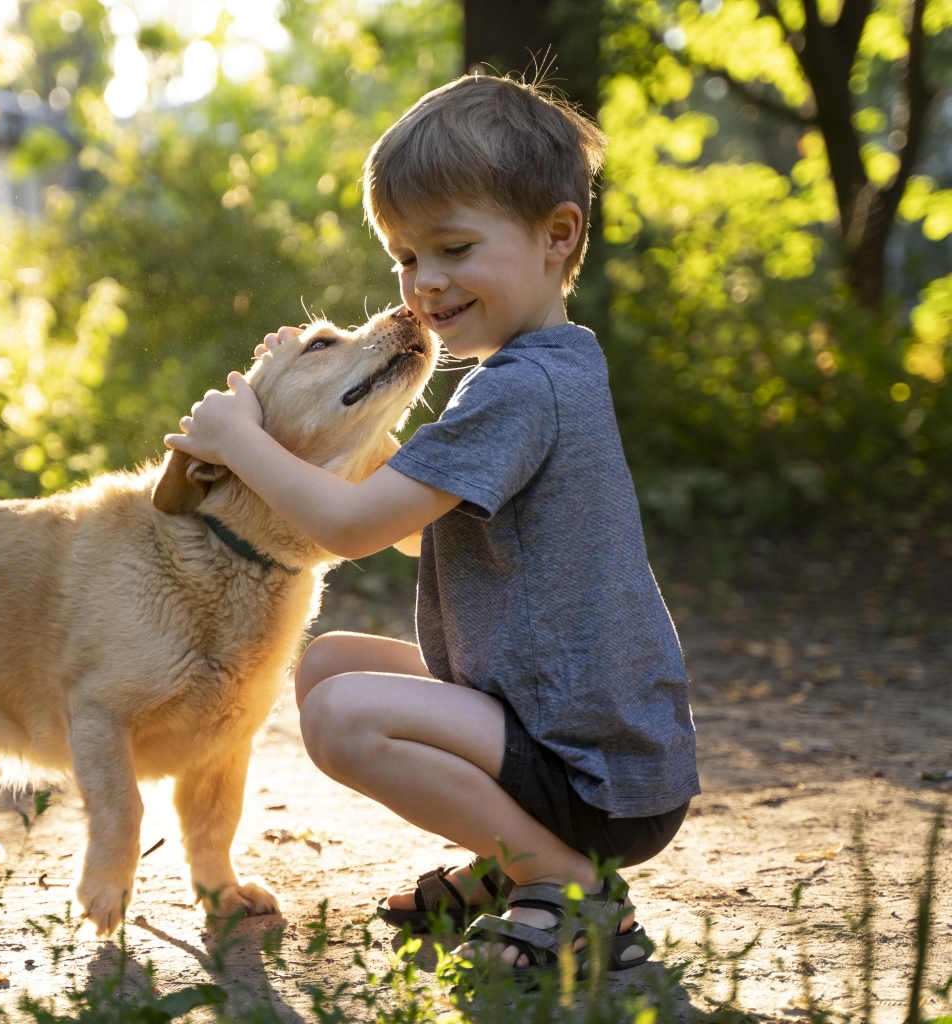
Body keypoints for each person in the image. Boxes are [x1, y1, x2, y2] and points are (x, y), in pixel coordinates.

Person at [163, 73, 698, 981]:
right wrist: (321, 405)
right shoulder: (542, 370)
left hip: (595, 773)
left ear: (556, 235)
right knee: (331, 659)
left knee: (340, 716)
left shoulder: (521, 389)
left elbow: (353, 531)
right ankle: (515, 861)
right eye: (406, 258)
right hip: (575, 729)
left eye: (453, 248)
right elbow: (422, 529)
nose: (426, 283)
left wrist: (244, 441)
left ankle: (566, 883)